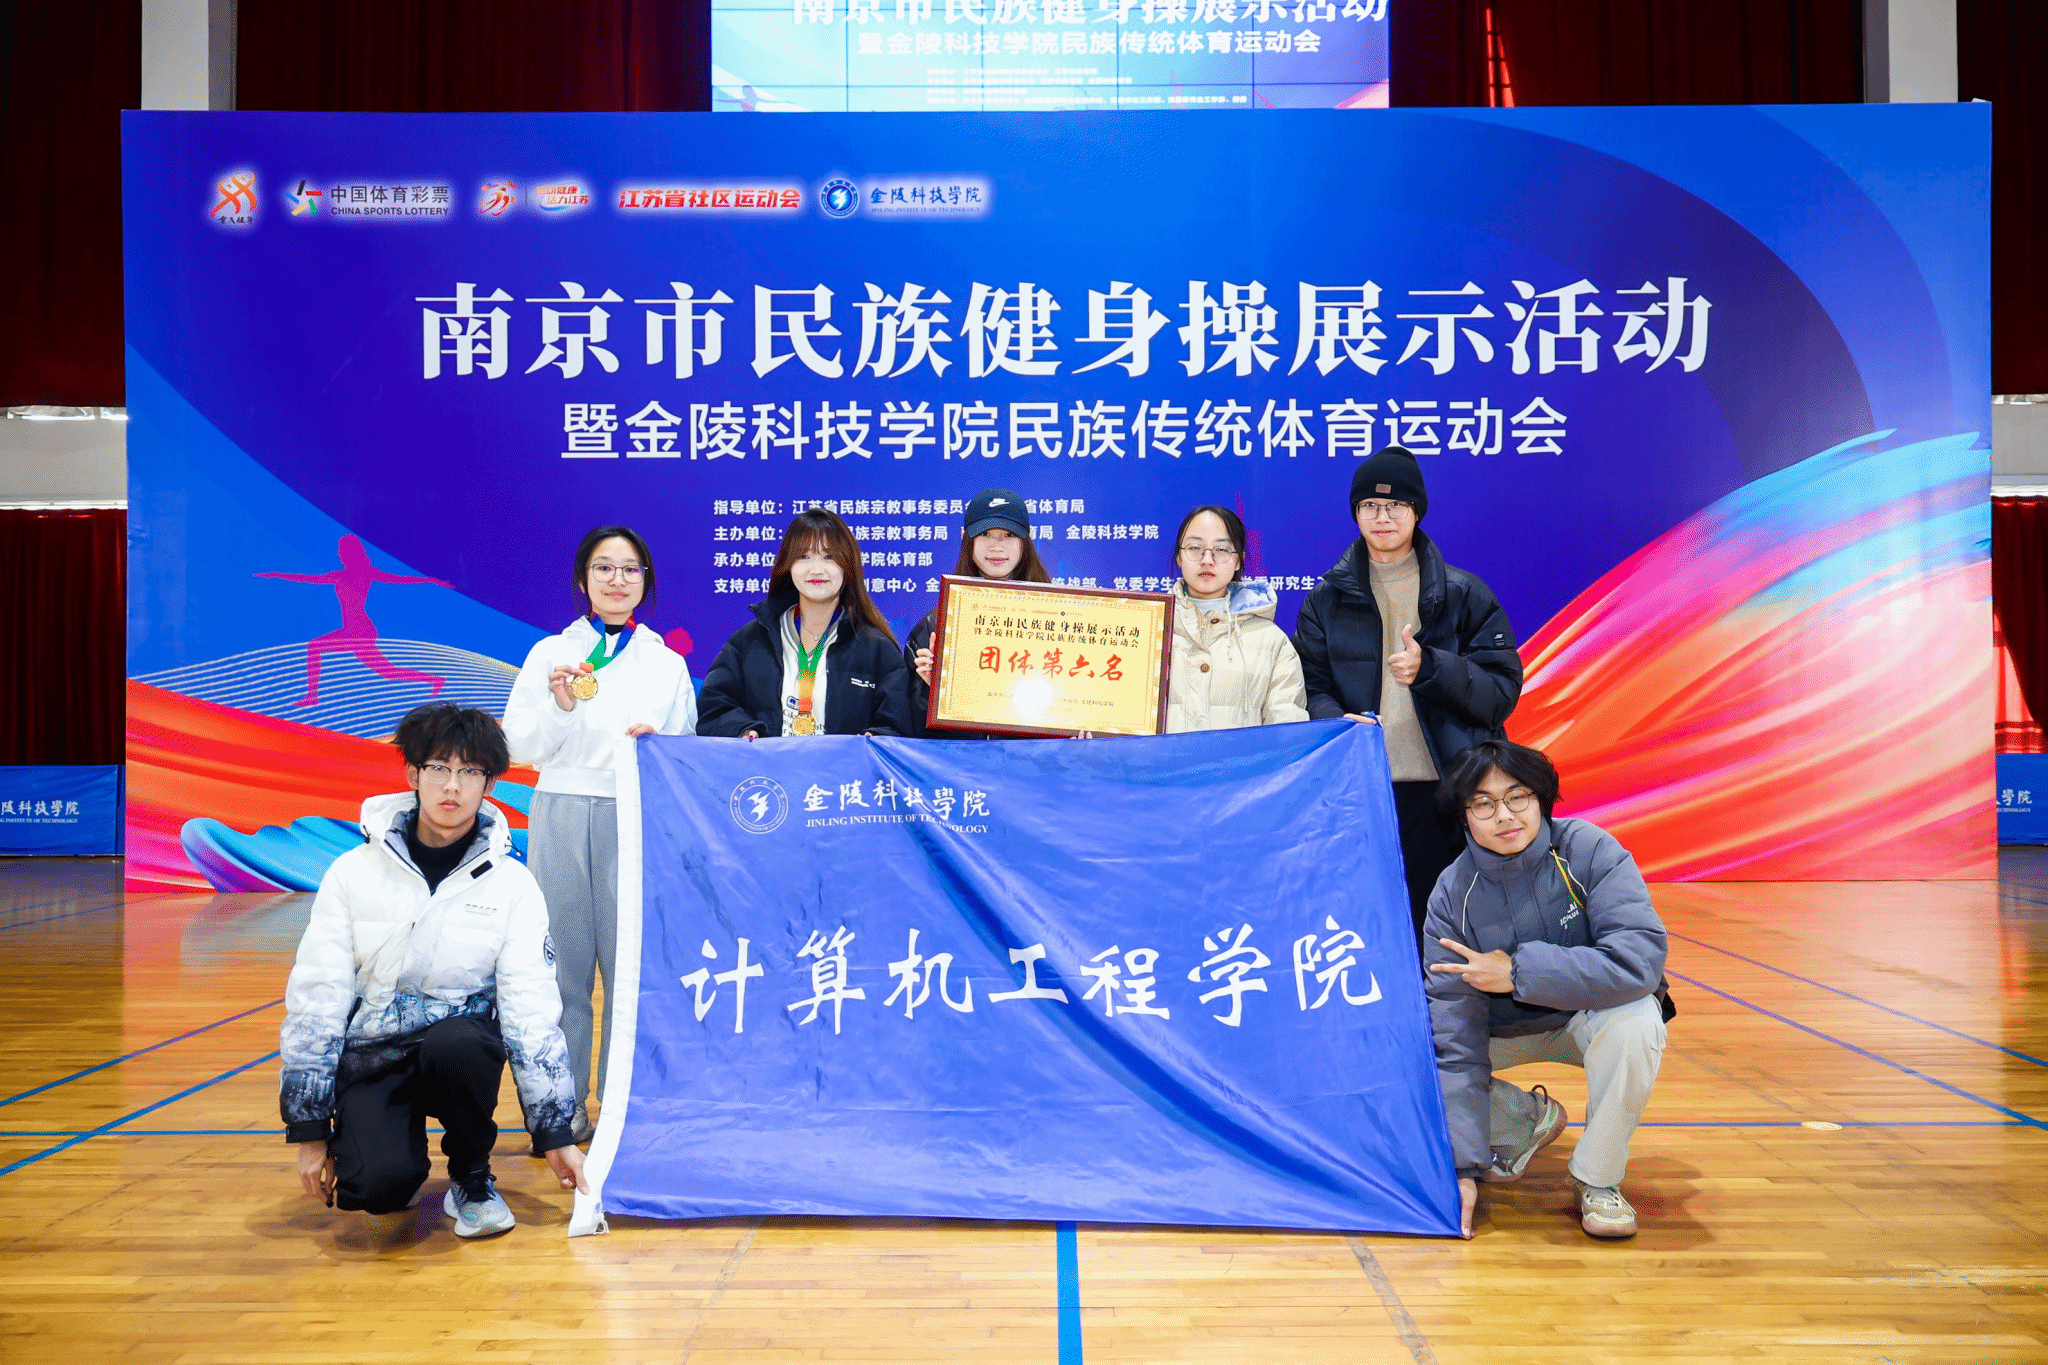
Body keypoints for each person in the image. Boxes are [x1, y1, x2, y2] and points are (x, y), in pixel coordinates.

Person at [279, 704, 587, 1239]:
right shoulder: (352, 872)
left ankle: (471, 1176)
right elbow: (317, 997)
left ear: (489, 784)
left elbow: (531, 1012)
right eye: (439, 768)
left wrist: (556, 1133)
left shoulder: (513, 884)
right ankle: (392, 1152)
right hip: (374, 1055)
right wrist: (308, 1129)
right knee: (377, 1191)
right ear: (412, 774)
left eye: (470, 772)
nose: (452, 786)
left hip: (458, 1052)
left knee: (463, 1041)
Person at [1424, 740, 1669, 1241]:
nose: (1504, 815)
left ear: (1541, 799)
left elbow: (1639, 959)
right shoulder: (1451, 893)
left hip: (1585, 1017)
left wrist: (1518, 972)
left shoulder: (1589, 850)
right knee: (1411, 1057)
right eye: (1483, 803)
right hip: (1502, 1032)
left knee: (1638, 1020)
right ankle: (1521, 1122)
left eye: (1517, 797)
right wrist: (1461, 1168)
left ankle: (1598, 1178)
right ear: (1464, 815)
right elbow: (1454, 1037)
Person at [503, 525, 697, 1145]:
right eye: (604, 568)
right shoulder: (550, 654)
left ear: (646, 581)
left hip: (634, 815)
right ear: (583, 580)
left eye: (631, 569)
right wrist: (559, 707)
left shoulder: (666, 663)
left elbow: (687, 748)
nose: (618, 580)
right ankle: (558, 1107)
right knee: (561, 970)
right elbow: (519, 746)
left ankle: (618, 1105)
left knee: (626, 969)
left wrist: (658, 748)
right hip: (560, 809)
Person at [1292, 445, 1522, 936]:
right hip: (1360, 791)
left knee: (1442, 933)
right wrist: (1334, 720)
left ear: (1416, 511)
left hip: (1445, 791)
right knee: (1364, 930)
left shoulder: (1464, 594)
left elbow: (1501, 692)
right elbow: (1308, 685)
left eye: (1396, 504)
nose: (1382, 517)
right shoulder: (1324, 601)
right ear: (1355, 513)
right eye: (1370, 506)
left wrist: (1431, 668)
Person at [697, 507, 912, 738]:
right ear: (788, 565)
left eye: (829, 557)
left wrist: (873, 741)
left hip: (845, 764)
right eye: (804, 557)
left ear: (848, 566)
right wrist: (742, 730)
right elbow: (714, 707)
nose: (816, 570)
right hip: (768, 762)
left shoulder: (877, 648)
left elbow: (897, 726)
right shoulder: (750, 640)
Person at [903, 488, 1053, 739]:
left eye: (1009, 535)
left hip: (1032, 762)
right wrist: (935, 694)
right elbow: (909, 732)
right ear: (966, 539)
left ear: (1025, 541)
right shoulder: (935, 627)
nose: (996, 546)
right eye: (985, 534)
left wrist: (1079, 729)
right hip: (958, 763)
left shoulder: (1056, 618)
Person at [1164, 505, 1308, 732]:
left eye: (1221, 549)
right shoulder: (1150, 629)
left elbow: (1287, 732)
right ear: (1179, 557)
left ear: (1239, 560)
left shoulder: (1271, 641)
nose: (1207, 560)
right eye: (1194, 548)